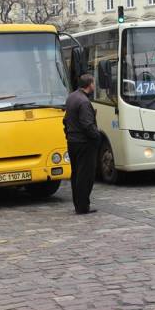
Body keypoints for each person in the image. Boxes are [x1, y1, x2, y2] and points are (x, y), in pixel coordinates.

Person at [63, 74, 100, 215]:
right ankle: (83, 206)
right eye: (93, 83)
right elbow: (87, 125)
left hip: (72, 142)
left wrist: (68, 134)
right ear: (89, 85)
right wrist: (97, 137)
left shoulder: (71, 97)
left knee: (76, 174)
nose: (94, 86)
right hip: (84, 143)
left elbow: (65, 120)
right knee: (85, 176)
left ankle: (78, 204)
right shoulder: (84, 102)